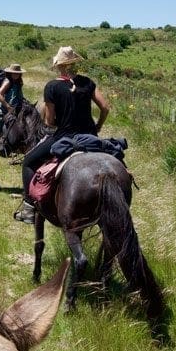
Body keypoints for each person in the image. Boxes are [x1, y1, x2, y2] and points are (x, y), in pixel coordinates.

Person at [14, 46, 110, 223]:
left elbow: (49, 121)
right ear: (74, 63)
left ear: (58, 65)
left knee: (28, 162)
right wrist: (97, 126)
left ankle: (29, 207)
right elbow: (105, 108)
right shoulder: (88, 82)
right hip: (90, 136)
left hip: (64, 137)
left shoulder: (52, 87)